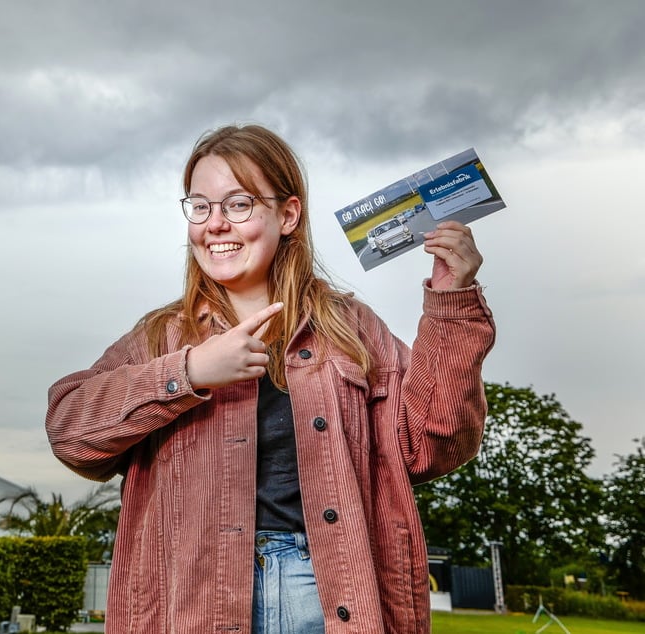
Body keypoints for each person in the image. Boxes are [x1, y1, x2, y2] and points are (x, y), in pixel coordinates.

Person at [46, 124, 495, 633]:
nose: (214, 224)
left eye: (238, 205)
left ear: (288, 215)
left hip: (326, 595)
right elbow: (69, 431)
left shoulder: (352, 328)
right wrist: (189, 371)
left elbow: (433, 443)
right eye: (200, 206)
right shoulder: (161, 337)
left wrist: (450, 302)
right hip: (195, 602)